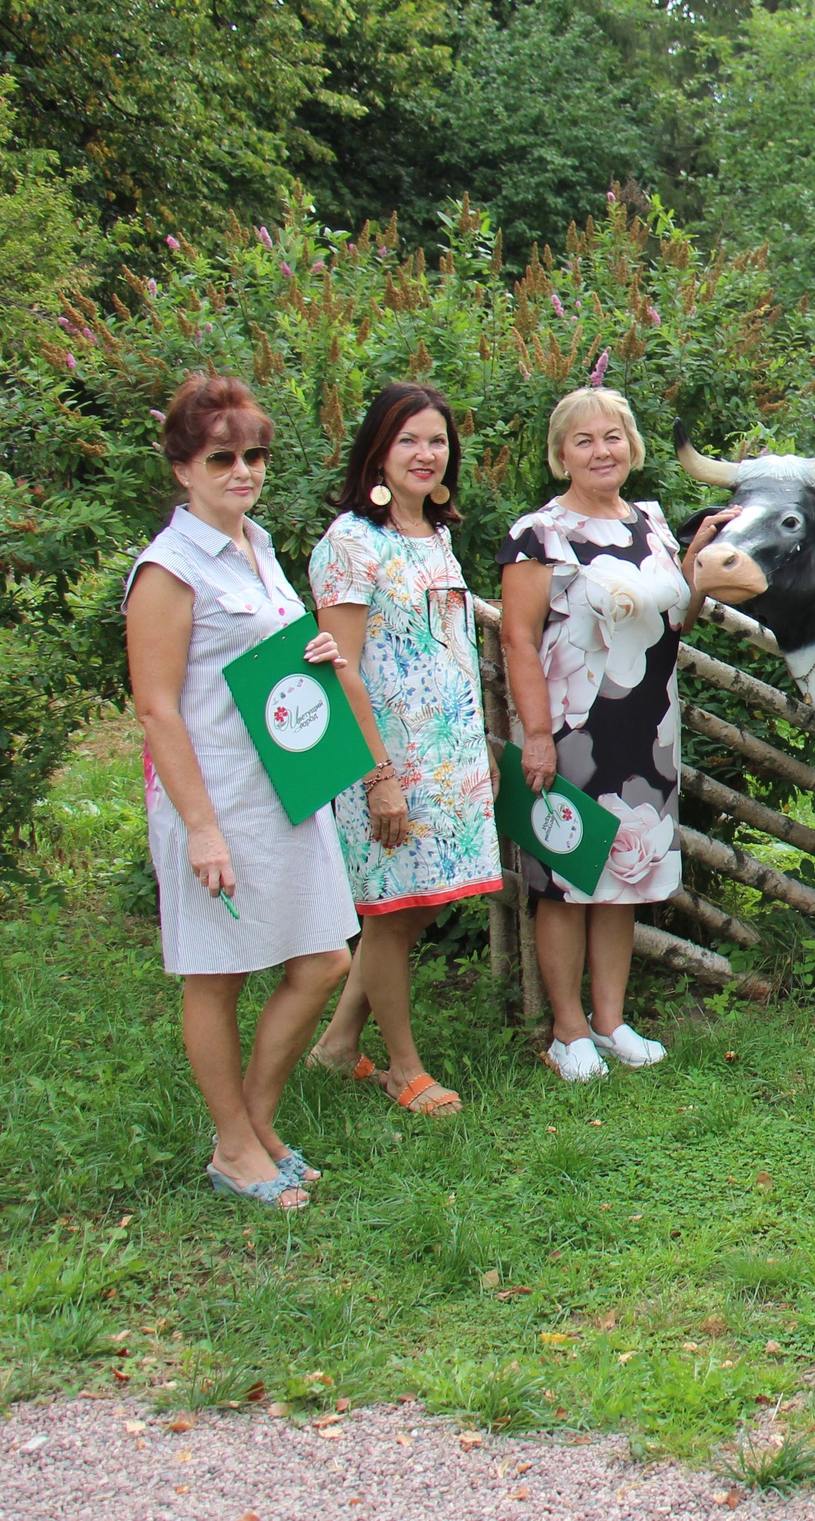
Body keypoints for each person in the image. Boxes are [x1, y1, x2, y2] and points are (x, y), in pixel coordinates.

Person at [125, 374, 357, 1210]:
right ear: (184, 468)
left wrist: (316, 654)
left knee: (327, 953)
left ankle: (253, 1121)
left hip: (288, 784)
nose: (243, 470)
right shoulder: (168, 568)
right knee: (216, 975)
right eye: (222, 457)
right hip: (216, 796)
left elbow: (255, 662)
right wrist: (201, 828)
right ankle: (234, 1146)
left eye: (254, 455)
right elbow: (156, 707)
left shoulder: (257, 544)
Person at [498, 386, 739, 1081]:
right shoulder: (538, 533)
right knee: (567, 875)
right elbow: (517, 639)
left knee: (624, 874)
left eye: (612, 437)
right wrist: (536, 734)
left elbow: (676, 622)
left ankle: (611, 1021)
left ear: (631, 446)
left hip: (648, 724)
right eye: (584, 440)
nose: (600, 450)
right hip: (575, 725)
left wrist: (694, 557)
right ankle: (566, 1031)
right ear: (560, 454)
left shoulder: (652, 523)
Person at [304, 383, 502, 1117]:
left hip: (447, 755)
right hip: (385, 760)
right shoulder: (350, 543)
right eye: (410, 440)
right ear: (378, 451)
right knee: (389, 912)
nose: (427, 453)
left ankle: (336, 1043)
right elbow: (340, 664)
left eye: (438, 440)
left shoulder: (435, 533)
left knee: (415, 907)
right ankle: (402, 1066)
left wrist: (471, 753)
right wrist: (378, 775)